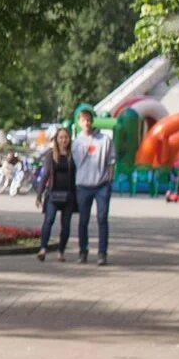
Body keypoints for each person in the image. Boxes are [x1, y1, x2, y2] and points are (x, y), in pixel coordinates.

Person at [71, 107, 116, 266]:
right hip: (83, 186)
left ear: (93, 121)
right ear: (79, 122)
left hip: (101, 185)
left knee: (102, 218)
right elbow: (75, 163)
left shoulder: (104, 140)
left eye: (89, 120)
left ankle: (102, 253)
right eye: (83, 120)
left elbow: (111, 161)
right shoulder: (77, 142)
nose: (87, 123)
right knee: (83, 220)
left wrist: (109, 180)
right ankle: (83, 251)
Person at [35, 128, 77, 260]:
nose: (63, 140)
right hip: (53, 194)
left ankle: (61, 251)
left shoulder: (73, 155)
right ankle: (43, 249)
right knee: (48, 220)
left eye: (66, 137)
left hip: (69, 195)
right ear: (56, 139)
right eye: (61, 137)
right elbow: (45, 175)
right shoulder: (50, 155)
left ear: (69, 139)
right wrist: (39, 194)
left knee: (66, 224)